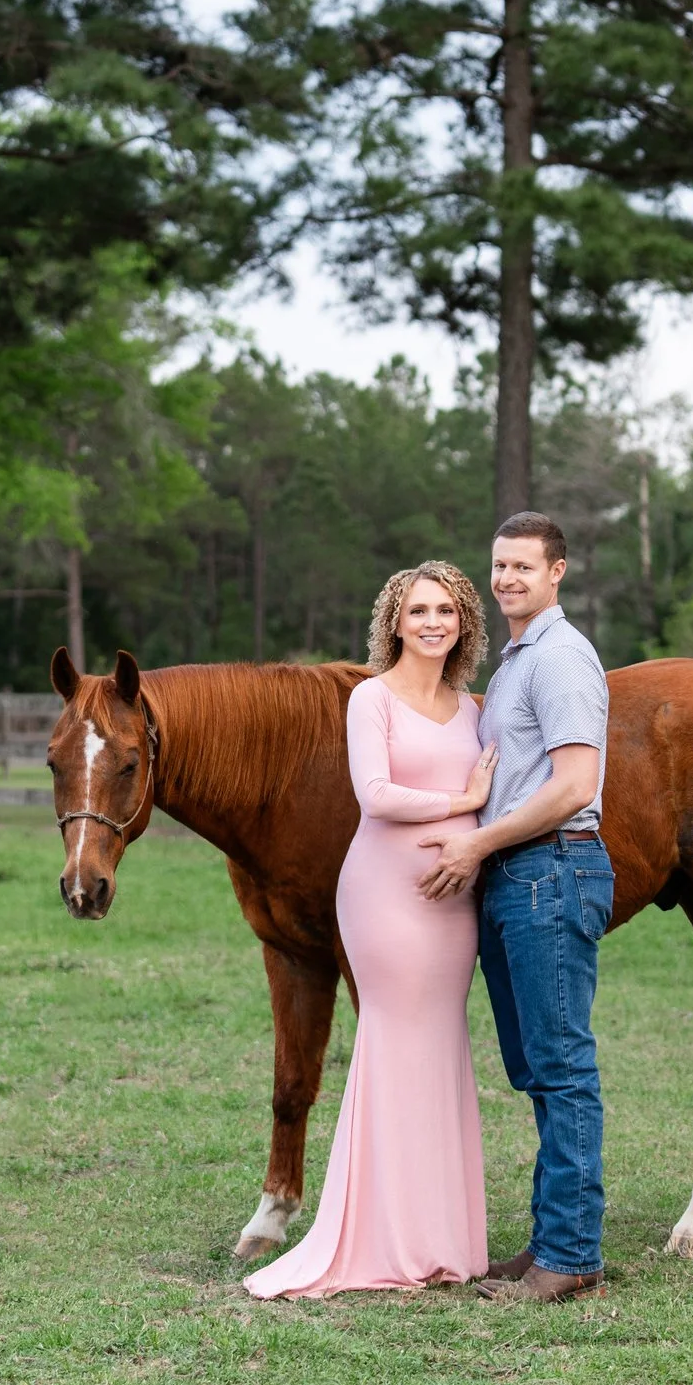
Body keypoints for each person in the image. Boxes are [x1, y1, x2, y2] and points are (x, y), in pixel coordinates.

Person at [245, 561, 500, 1299]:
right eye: (418, 609)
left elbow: (489, 807)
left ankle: (443, 1237)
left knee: (442, 1045)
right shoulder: (370, 700)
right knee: (392, 1042)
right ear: (395, 620)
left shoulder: (471, 707)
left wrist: (473, 842)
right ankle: (377, 1235)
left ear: (463, 623)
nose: (432, 622)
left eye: (446, 610)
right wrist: (464, 796)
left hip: (453, 902)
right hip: (385, 896)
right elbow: (377, 794)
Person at [415, 512, 612, 1305]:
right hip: (515, 874)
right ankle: (550, 1240)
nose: (507, 580)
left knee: (563, 1067)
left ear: (557, 572)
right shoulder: (516, 659)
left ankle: (572, 1257)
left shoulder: (562, 658)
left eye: (524, 567)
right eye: (499, 566)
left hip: (550, 867)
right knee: (537, 1068)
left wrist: (478, 841)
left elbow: (574, 785)